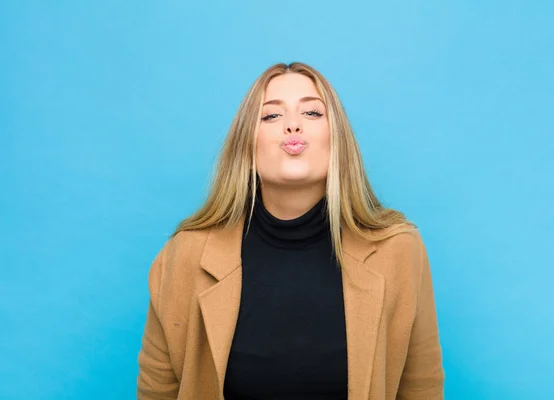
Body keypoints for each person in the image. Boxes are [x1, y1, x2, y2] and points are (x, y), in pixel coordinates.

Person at [136, 62, 444, 400]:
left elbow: (421, 388)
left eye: (312, 113)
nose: (293, 125)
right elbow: (156, 392)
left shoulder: (398, 249)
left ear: (337, 139)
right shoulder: (184, 257)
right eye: (271, 116)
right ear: (246, 146)